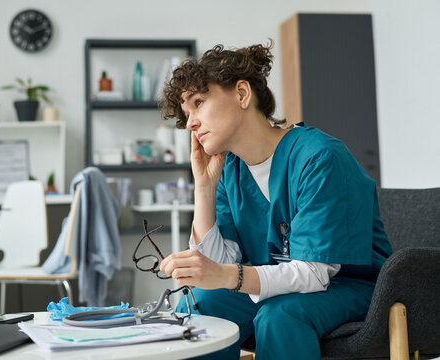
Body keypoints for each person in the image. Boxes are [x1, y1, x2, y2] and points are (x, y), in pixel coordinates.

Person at [158, 41, 392, 359]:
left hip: (350, 288)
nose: (190, 123)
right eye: (186, 115)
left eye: (199, 102)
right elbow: (220, 267)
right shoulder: (230, 170)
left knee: (280, 316)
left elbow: (315, 272)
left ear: (242, 94)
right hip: (276, 284)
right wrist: (204, 188)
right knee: (197, 303)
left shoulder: (319, 156)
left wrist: (228, 276)